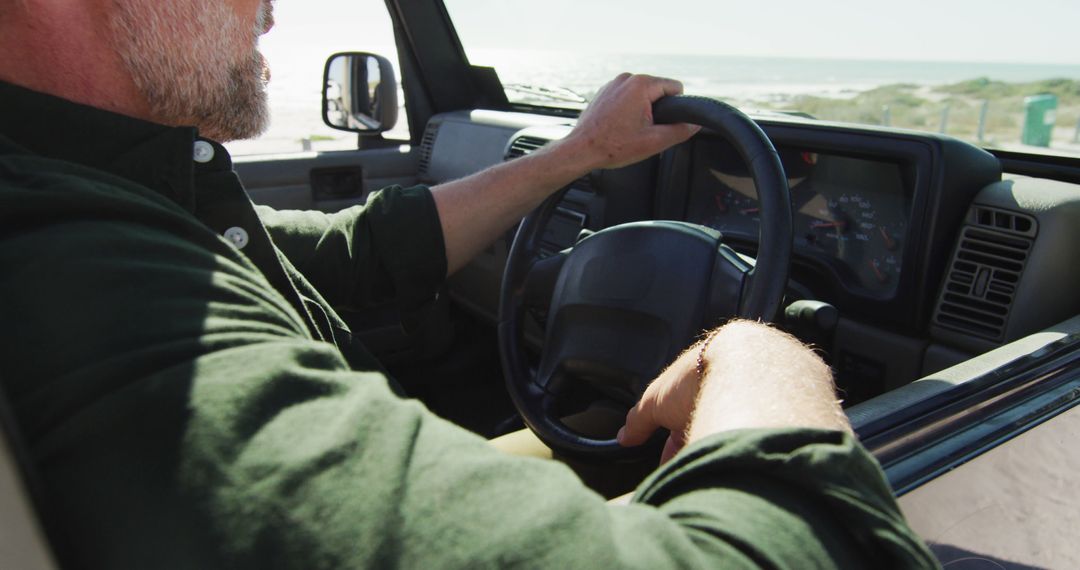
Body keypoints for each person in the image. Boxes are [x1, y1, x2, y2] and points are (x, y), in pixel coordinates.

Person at [0, 0, 937, 567]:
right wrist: (764, 360)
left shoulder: (126, 189)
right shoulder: (65, 259)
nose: (271, 10)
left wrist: (579, 154)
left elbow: (354, 251)